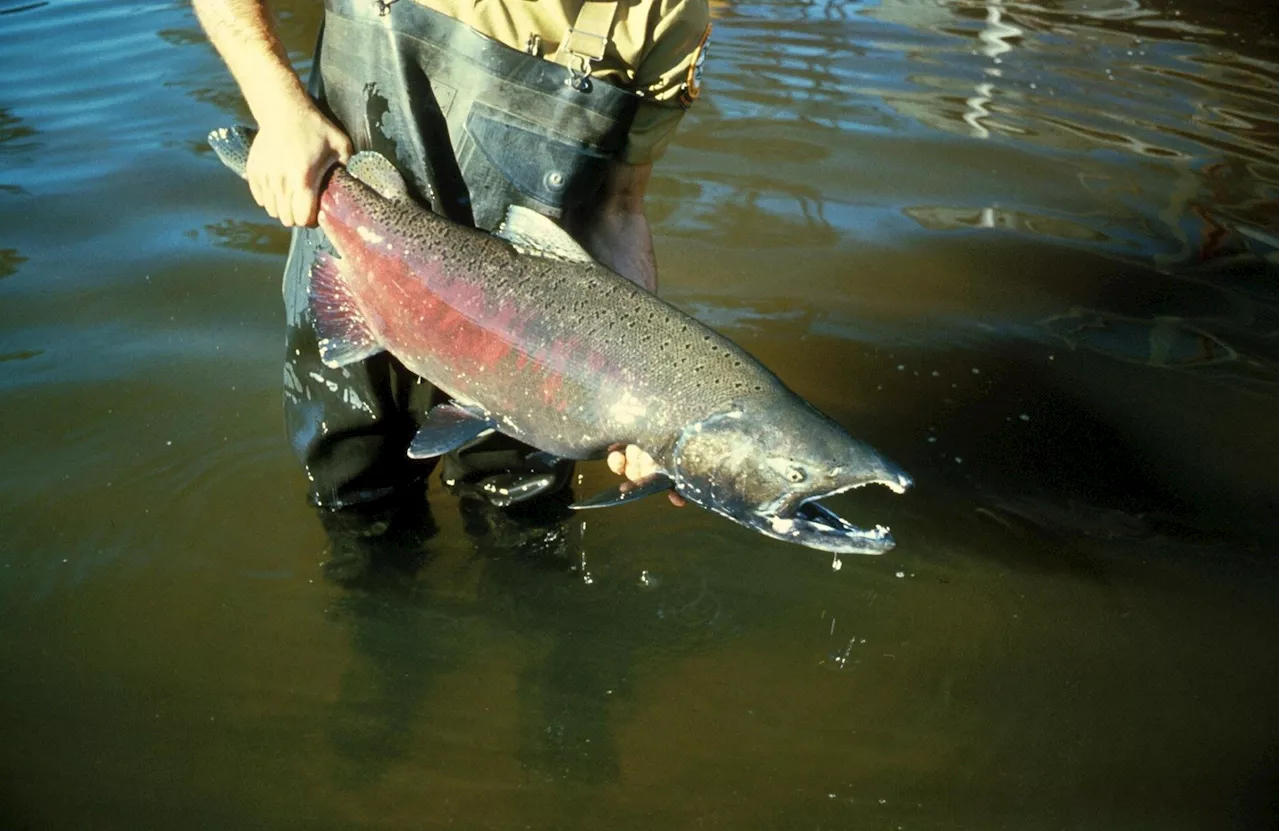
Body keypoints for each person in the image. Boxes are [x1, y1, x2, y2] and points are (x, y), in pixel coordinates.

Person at [193, 0, 704, 537]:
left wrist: (646, 388)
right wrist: (277, 108)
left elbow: (619, 209)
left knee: (525, 533)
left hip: (532, 344)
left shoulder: (669, 13)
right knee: (361, 511)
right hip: (357, 262)